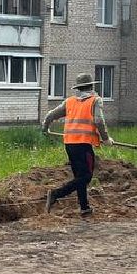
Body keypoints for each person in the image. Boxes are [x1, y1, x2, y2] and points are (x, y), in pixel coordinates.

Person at [41, 72, 111, 217]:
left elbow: (50, 115)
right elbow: (98, 121)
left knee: (79, 175)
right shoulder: (95, 100)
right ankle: (55, 194)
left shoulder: (70, 102)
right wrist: (106, 138)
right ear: (91, 86)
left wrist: (45, 127)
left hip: (69, 144)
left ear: (78, 88)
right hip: (83, 144)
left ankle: (84, 207)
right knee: (85, 177)